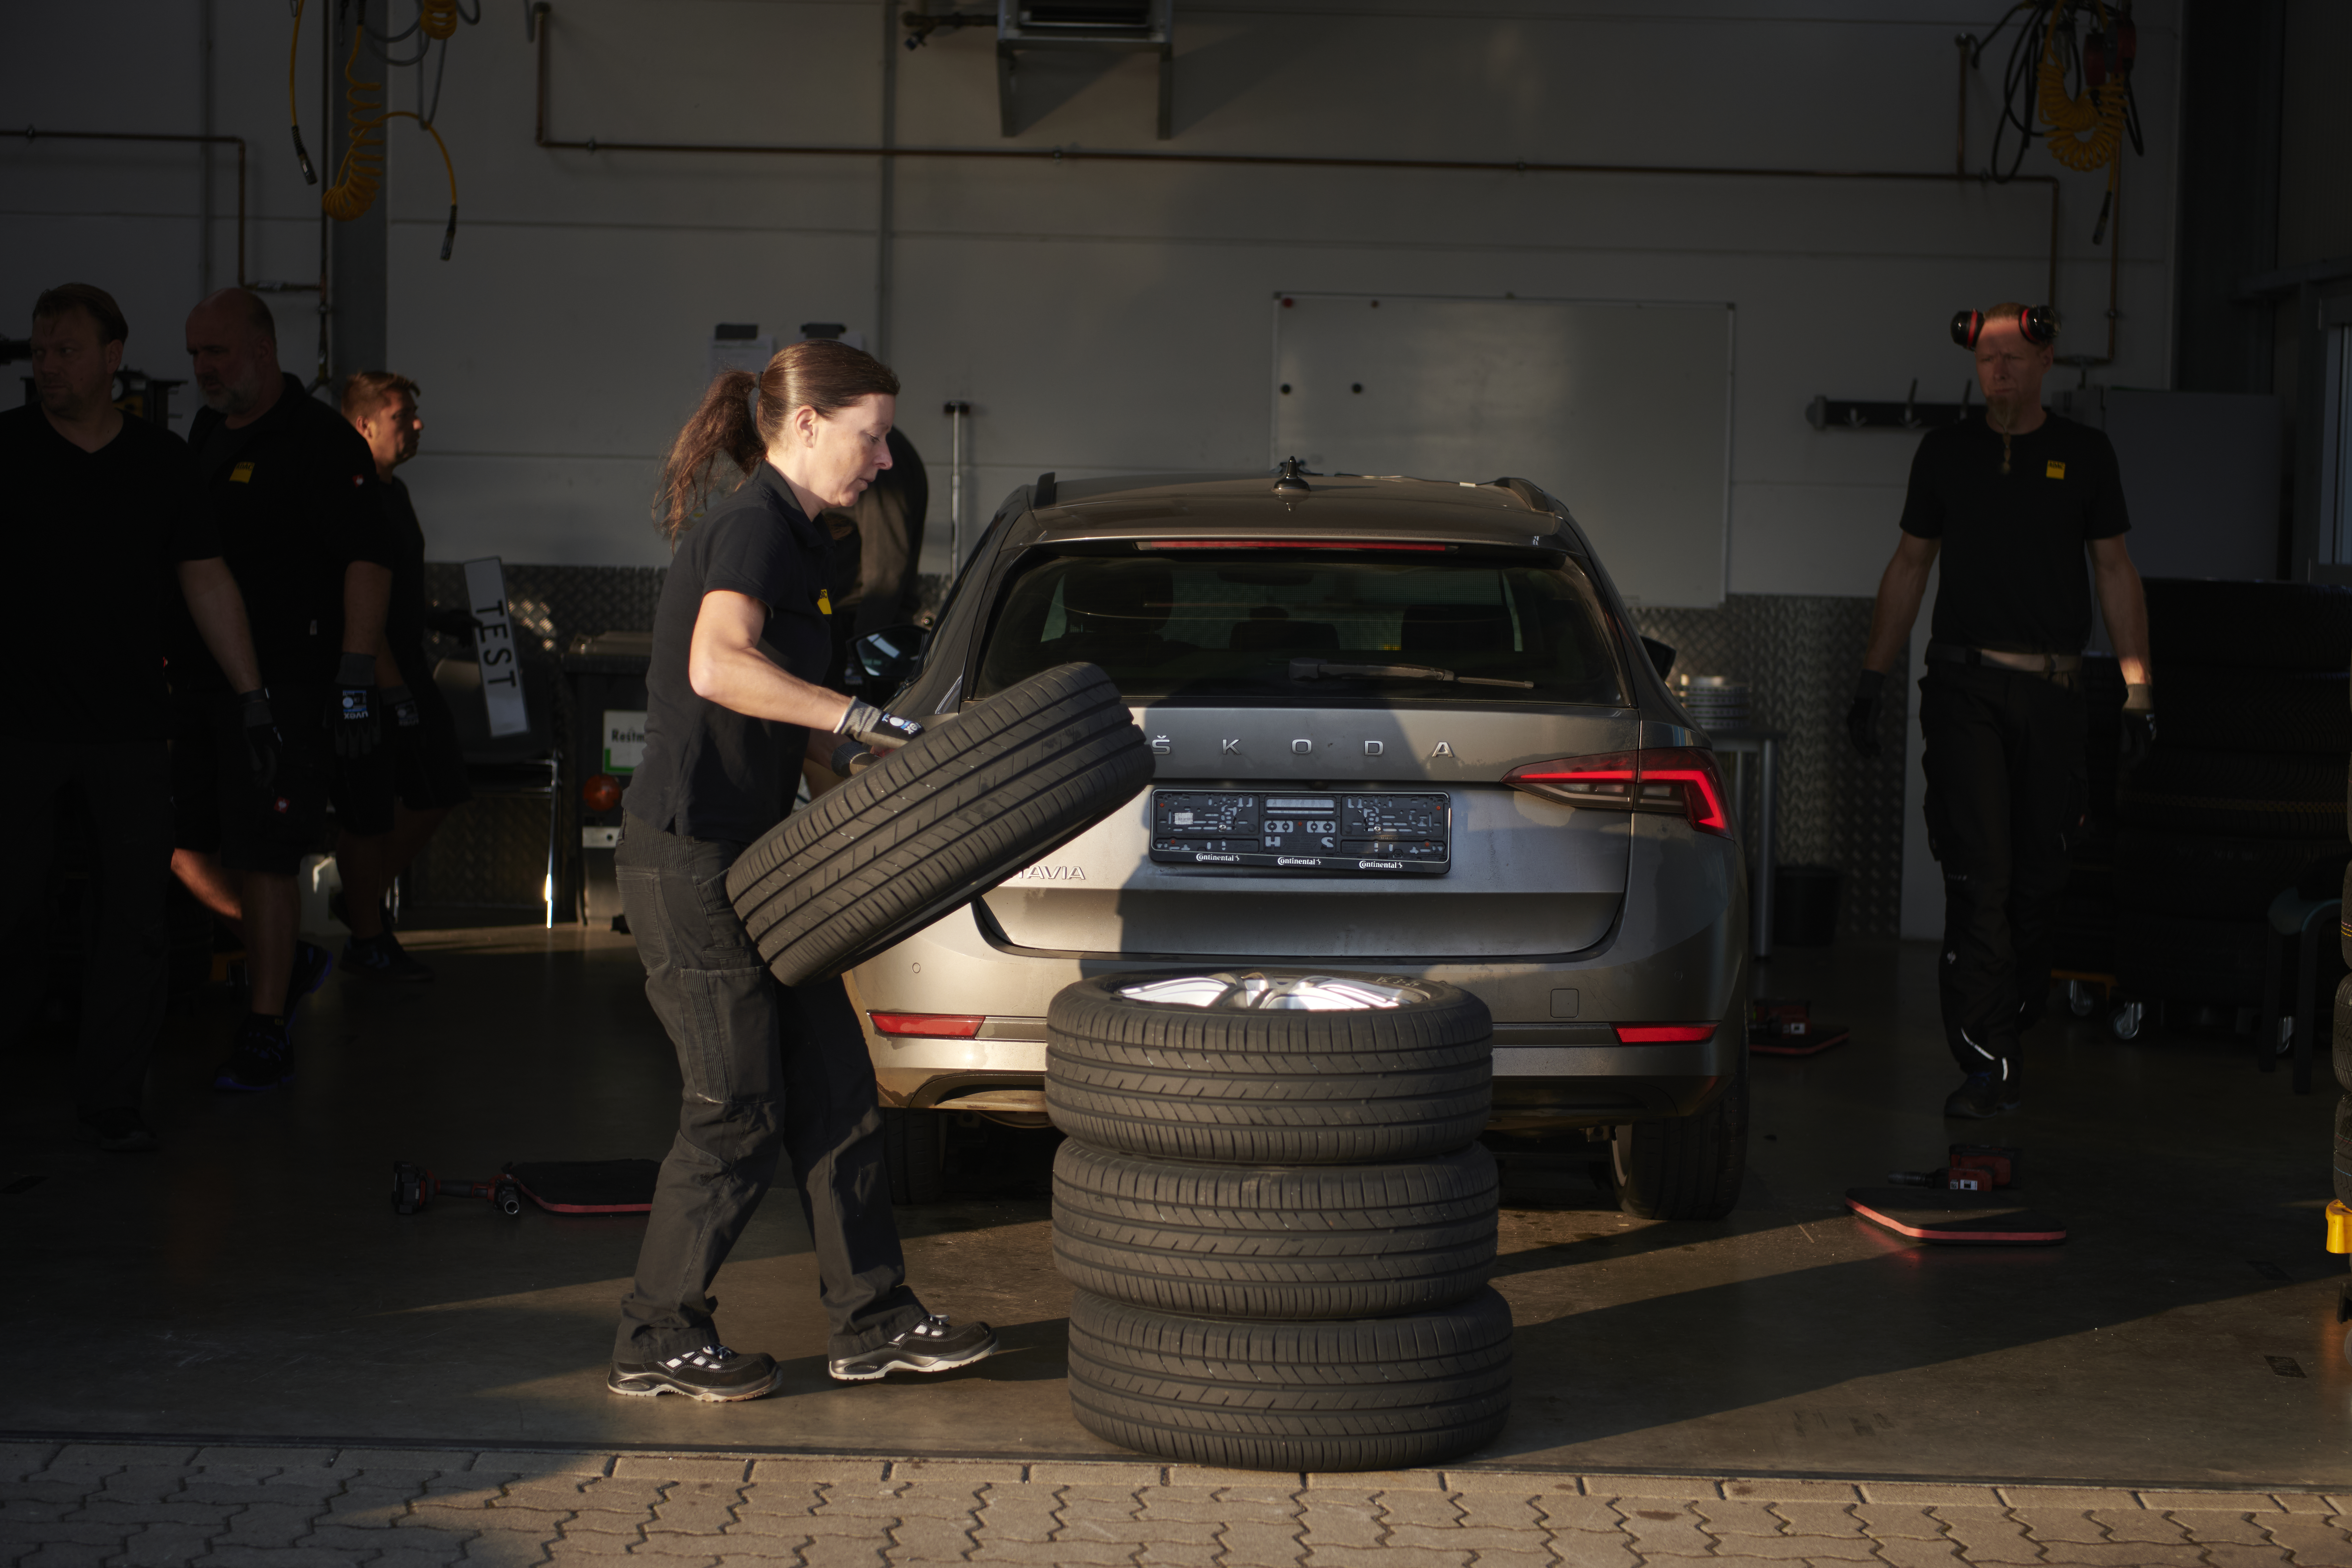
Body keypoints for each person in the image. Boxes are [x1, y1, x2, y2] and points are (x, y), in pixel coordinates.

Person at [609, 338, 995, 1402]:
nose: (885, 460)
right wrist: (863, 716)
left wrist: (885, 768)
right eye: (873, 437)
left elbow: (792, 721)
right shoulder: (752, 528)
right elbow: (718, 665)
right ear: (810, 424)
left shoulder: (808, 541)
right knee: (734, 1108)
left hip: (758, 857)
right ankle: (655, 1333)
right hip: (689, 856)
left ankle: (873, 1320)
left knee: (837, 1087)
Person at [1847, 302, 2153, 1120]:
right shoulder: (1946, 454)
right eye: (1987, 358)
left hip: (2054, 697)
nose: (2000, 370)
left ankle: (2010, 1019)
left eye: (2015, 356)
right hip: (1965, 691)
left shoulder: (2085, 455)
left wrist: (2138, 691)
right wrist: (1873, 679)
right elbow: (1910, 565)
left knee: (2039, 880)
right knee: (1980, 874)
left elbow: (2116, 572)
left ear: (2047, 360)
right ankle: (1985, 1058)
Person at [0, 283, 269, 1152]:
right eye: (40, 351)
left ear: (112, 358)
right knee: (11, 908)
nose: (48, 367)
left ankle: (112, 1096)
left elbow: (206, 580)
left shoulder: (160, 462)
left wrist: (253, 695)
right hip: (19, 730)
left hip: (129, 731)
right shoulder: (7, 449)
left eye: (66, 351)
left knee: (132, 918)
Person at [170, 287, 397, 1092]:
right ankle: (284, 954)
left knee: (266, 854)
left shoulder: (320, 439)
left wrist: (355, 674)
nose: (203, 368)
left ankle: (266, 1027)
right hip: (204, 682)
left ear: (263, 352)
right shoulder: (206, 432)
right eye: (195, 354)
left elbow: (368, 559)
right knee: (181, 844)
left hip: (292, 685)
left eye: (217, 352)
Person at [333, 371, 472, 982]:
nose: (416, 425)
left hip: (406, 663)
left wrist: (435, 616)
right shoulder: (348, 494)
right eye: (401, 416)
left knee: (441, 785)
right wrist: (391, 690)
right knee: (367, 810)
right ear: (364, 425)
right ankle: (367, 936)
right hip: (367, 673)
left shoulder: (396, 491)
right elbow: (356, 606)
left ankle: (359, 900)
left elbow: (394, 586)